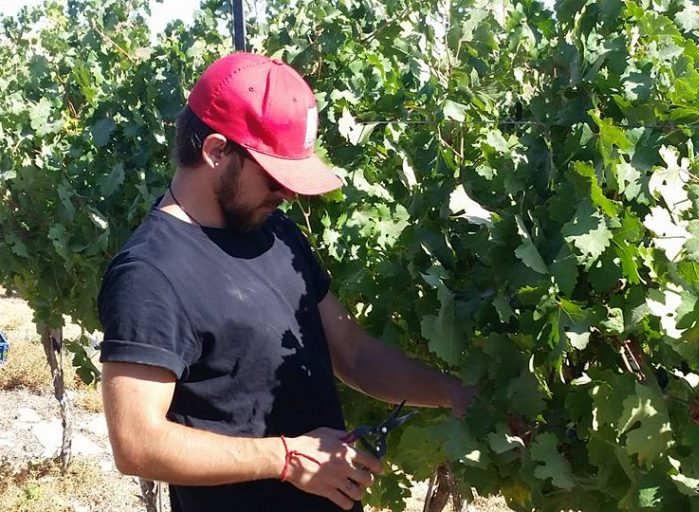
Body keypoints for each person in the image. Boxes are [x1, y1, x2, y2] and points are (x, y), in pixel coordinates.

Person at [98, 52, 473, 512]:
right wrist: (287, 458)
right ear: (216, 151)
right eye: (274, 176)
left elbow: (354, 354)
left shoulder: (275, 230)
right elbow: (137, 442)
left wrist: (453, 393)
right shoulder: (150, 274)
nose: (288, 193)